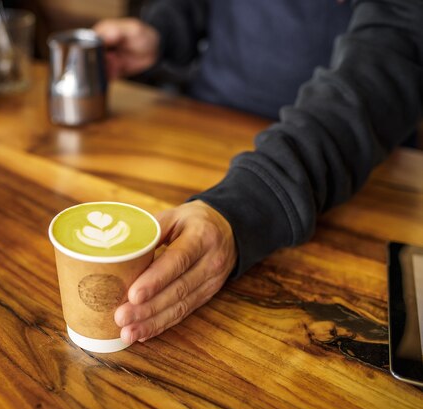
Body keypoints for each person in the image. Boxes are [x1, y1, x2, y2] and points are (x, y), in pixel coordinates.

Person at [92, 0, 423, 345]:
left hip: (341, 165)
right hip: (202, 125)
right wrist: (166, 31)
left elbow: (398, 47)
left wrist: (250, 202)